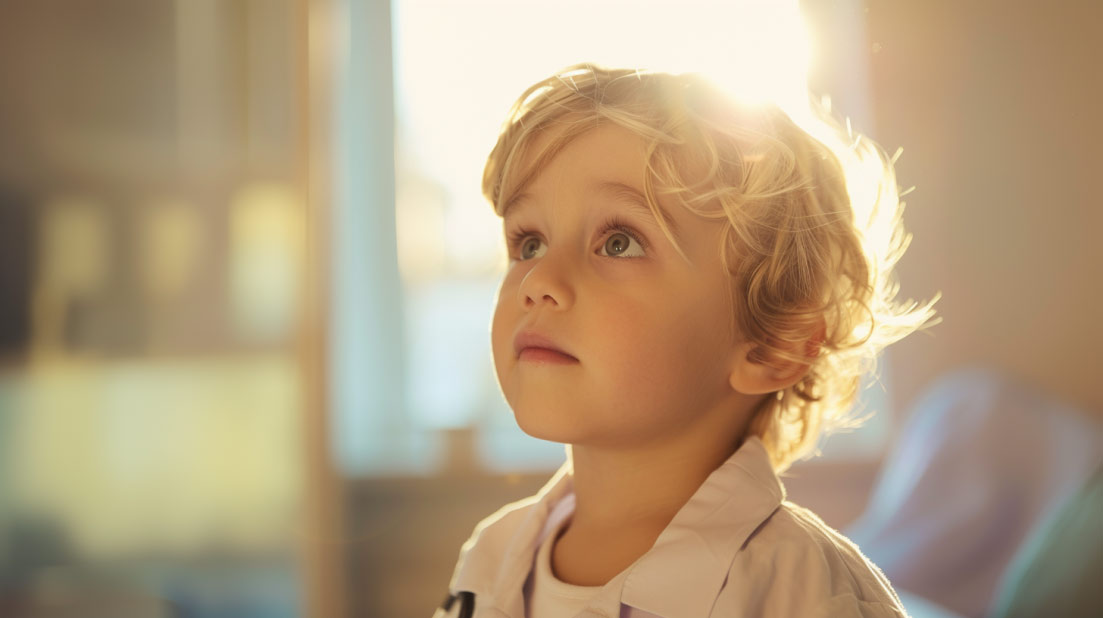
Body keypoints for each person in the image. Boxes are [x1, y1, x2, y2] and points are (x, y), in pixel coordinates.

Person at [434, 62, 938, 618]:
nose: (539, 282)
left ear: (772, 346)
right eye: (529, 243)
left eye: (619, 242)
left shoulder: (802, 591)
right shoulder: (490, 559)